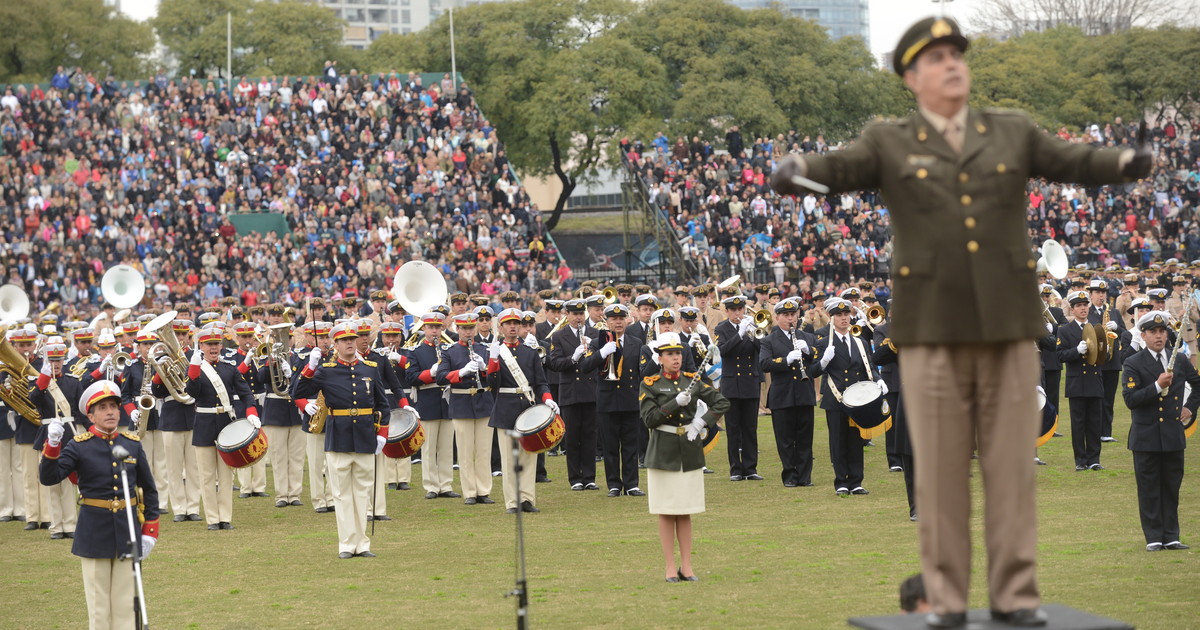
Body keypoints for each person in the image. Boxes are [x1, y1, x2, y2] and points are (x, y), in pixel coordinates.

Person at [772, 15, 1151, 627]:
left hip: (1007, 325)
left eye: (956, 54)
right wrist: (797, 170)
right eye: (937, 57)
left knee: (1009, 470)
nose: (952, 64)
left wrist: (1125, 160)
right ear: (911, 77)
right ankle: (946, 598)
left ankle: (1015, 595)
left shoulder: (1009, 130)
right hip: (931, 332)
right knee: (942, 470)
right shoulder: (889, 140)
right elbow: (839, 168)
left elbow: (1073, 158)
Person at [39, 379, 160, 630]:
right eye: (102, 408)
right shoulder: (79, 445)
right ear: (91, 416)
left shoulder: (131, 443)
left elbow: (148, 490)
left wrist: (149, 532)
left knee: (126, 605)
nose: (110, 412)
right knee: (99, 605)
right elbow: (49, 478)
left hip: (127, 531)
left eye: (113, 406)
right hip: (94, 532)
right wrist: (52, 445)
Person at [292, 323, 390, 558]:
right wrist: (310, 367)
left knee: (362, 493)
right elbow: (298, 392)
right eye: (344, 340)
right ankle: (347, 544)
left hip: (365, 437)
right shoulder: (327, 370)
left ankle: (362, 544)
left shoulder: (370, 369)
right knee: (341, 494)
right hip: (339, 437)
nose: (349, 343)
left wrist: (382, 434)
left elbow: (382, 405)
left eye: (352, 339)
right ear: (335, 344)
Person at [639, 332, 728, 582]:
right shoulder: (650, 383)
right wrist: (674, 404)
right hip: (663, 452)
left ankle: (687, 566)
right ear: (660, 358)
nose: (676, 358)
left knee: (686, 511)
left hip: (689, 450)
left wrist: (701, 422)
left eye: (678, 353)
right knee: (667, 511)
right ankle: (670, 567)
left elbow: (721, 403)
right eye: (670, 354)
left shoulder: (692, 380)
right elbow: (649, 419)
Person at [1120, 311, 1195, 552]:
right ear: (1143, 335)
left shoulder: (1179, 359)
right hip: (1146, 437)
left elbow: (1197, 385)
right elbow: (1131, 399)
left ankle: (1171, 536)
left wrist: (1190, 407)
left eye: (1162, 331)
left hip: (1172, 435)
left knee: (1171, 488)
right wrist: (1156, 386)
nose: (1159, 336)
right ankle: (1153, 536)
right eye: (1153, 332)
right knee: (1149, 489)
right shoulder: (1133, 362)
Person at [185, 326, 259, 530]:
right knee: (207, 476)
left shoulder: (229, 368)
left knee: (226, 475)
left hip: (226, 425)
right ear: (201, 346)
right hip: (204, 424)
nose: (214, 348)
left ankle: (225, 517)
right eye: (209, 344)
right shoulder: (196, 367)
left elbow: (245, 393)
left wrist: (251, 411)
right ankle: (212, 519)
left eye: (216, 344)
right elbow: (192, 393)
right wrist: (194, 370)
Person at [486, 308, 558, 513]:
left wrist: (548, 399)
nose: (513, 327)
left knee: (529, 456)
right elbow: (492, 384)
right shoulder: (497, 351)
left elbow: (540, 382)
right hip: (506, 408)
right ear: (501, 327)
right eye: (508, 324)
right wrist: (493, 361)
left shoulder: (529, 352)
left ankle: (526, 498)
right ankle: (512, 501)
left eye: (515, 323)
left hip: (527, 408)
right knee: (509, 459)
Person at [579, 303, 646, 497]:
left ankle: (631, 484)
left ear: (626, 320)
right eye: (613, 319)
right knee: (610, 446)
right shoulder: (598, 342)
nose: (618, 322)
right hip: (608, 401)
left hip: (630, 399)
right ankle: (614, 484)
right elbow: (585, 367)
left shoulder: (636, 342)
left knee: (631, 445)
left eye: (621, 318)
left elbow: (641, 372)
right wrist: (602, 352)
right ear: (607, 322)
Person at [757, 298, 819, 487]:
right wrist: (786, 360)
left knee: (805, 439)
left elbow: (818, 360)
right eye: (786, 315)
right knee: (785, 440)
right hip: (782, 395)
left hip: (804, 393)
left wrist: (808, 351)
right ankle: (790, 475)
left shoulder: (807, 337)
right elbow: (764, 363)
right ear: (777, 317)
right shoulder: (769, 340)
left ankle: (805, 476)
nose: (790, 318)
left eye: (793, 314)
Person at [438, 313, 496, 505]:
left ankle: (483, 490)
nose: (468, 332)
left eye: (471, 328)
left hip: (483, 403)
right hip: (462, 403)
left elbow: (495, 378)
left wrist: (484, 368)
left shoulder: (485, 349)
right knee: (465, 451)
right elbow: (441, 377)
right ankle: (470, 492)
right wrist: (461, 372)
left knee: (483, 450)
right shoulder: (449, 351)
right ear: (457, 329)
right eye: (464, 328)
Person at [547, 299, 601, 491]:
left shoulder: (595, 334)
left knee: (590, 436)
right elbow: (555, 364)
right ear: (567, 315)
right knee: (572, 437)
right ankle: (575, 478)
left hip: (591, 390)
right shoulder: (559, 336)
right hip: (570, 392)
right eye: (574, 314)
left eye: (581, 314)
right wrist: (574, 358)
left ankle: (589, 477)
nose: (578, 318)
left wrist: (593, 352)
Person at [713, 295, 763, 481]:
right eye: (733, 310)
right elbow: (722, 351)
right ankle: (735, 469)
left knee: (750, 428)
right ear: (726, 311)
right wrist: (739, 335)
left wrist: (752, 331)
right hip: (732, 384)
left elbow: (762, 348)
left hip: (750, 383)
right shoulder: (721, 328)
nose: (737, 313)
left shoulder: (752, 326)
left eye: (740, 309)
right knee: (733, 429)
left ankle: (750, 468)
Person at [1056, 291, 1106, 471]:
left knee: (1094, 423)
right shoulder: (1065, 330)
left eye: (1085, 305)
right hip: (1076, 382)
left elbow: (1104, 357)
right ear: (1072, 309)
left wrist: (1105, 351)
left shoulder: (1097, 328)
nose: (1083, 308)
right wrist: (1076, 351)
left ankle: (1094, 459)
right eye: (1079, 305)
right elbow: (1060, 355)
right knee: (1078, 424)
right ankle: (1080, 460)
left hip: (1094, 380)